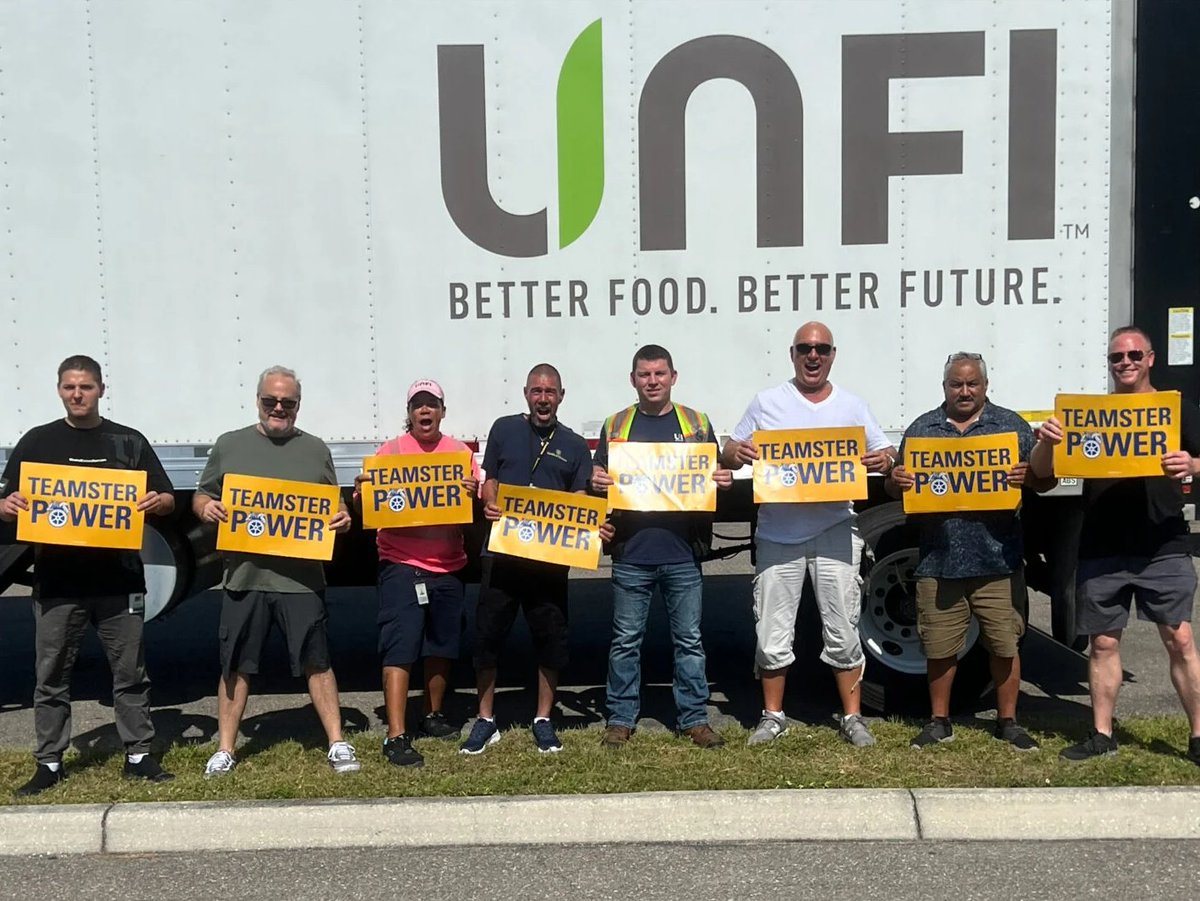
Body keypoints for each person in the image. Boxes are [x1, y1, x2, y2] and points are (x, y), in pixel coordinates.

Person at [0, 354, 176, 795]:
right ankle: (50, 762)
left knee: (130, 673)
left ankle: (138, 755)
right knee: (52, 676)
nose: (77, 395)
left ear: (100, 389)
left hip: (119, 581)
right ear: (59, 390)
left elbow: (169, 498)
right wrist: (6, 507)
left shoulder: (127, 441)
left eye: (86, 387)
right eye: (69, 387)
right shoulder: (38, 443)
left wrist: (158, 504)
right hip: (58, 583)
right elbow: (6, 501)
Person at [721, 322, 896, 747]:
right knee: (772, 631)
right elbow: (730, 446)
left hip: (836, 530)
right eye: (804, 349)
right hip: (779, 534)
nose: (812, 356)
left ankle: (852, 718)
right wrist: (737, 451)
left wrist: (884, 459)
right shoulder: (768, 402)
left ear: (833, 354)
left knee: (843, 628)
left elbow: (888, 453)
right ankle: (773, 715)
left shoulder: (852, 406)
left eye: (820, 349)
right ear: (792, 353)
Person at [1032, 326, 1200, 764]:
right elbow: (1044, 476)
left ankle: (1198, 737)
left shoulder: (1175, 410)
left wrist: (1193, 463)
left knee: (1179, 639)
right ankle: (1102, 734)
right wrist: (1047, 444)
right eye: (1116, 358)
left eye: (1132, 355)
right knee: (1103, 644)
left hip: (1163, 542)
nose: (1124, 363)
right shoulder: (1090, 416)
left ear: (1151, 359)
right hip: (1102, 546)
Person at [193, 365, 359, 777]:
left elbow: (333, 502)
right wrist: (205, 508)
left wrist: (344, 516)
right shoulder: (229, 445)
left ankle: (337, 741)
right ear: (258, 401)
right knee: (235, 665)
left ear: (298, 406)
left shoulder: (316, 449)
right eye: (271, 401)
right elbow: (201, 495)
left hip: (301, 579)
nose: (279, 408)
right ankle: (226, 748)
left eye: (288, 402)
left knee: (317, 662)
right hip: (244, 576)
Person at [886, 352, 1054, 751]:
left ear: (985, 385)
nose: (964, 391)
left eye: (971, 384)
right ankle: (939, 721)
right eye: (956, 384)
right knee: (940, 649)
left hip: (998, 558)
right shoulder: (923, 428)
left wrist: (1030, 477)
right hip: (938, 559)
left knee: (1004, 645)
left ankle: (1008, 721)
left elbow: (1044, 482)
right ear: (944, 387)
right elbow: (897, 489)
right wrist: (897, 480)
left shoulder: (1010, 426)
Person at [461, 363, 610, 754]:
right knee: (488, 638)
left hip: (547, 559)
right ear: (526, 394)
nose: (543, 399)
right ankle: (485, 720)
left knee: (550, 640)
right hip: (502, 553)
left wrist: (590, 521)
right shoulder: (504, 429)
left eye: (550, 392)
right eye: (536, 391)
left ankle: (543, 719)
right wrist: (490, 503)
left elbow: (579, 498)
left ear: (561, 396)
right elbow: (489, 478)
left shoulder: (575, 444)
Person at [591, 345, 732, 750]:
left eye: (659, 374)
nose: (652, 381)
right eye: (644, 375)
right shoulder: (616, 425)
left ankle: (693, 719)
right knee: (625, 641)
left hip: (683, 553)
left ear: (673, 377)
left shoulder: (695, 422)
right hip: (632, 553)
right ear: (632, 380)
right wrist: (597, 481)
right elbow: (600, 479)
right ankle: (619, 719)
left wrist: (720, 479)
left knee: (688, 641)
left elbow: (713, 473)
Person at [352, 379, 480, 768]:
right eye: (418, 406)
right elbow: (364, 508)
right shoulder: (389, 453)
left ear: (443, 411)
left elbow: (480, 499)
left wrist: (475, 491)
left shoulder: (459, 453)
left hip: (449, 565)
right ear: (409, 413)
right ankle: (396, 735)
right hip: (401, 564)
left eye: (432, 405)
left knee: (442, 645)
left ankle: (433, 715)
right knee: (401, 647)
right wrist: (361, 493)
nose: (425, 412)